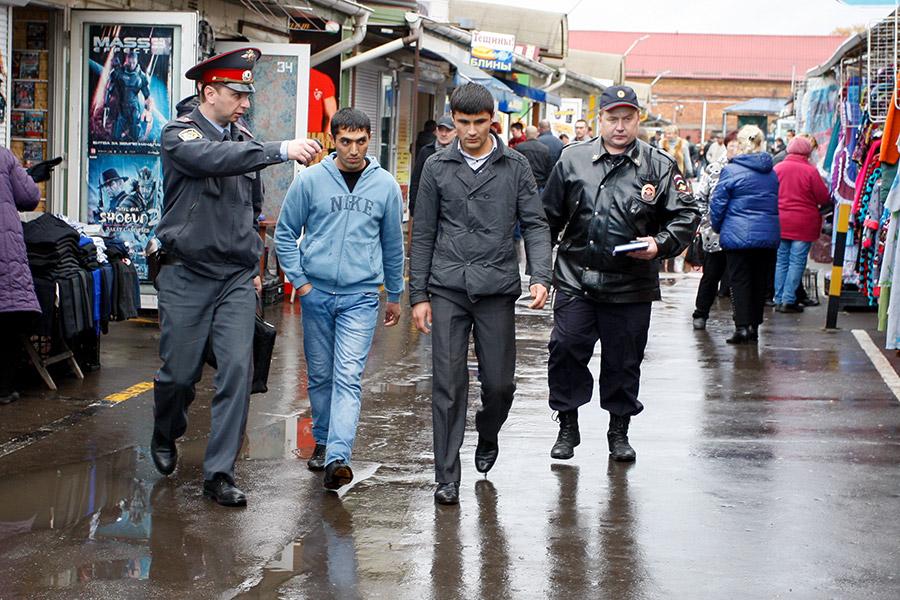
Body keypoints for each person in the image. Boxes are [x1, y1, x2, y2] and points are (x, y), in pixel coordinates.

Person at [151, 48, 322, 507]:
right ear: (209, 92)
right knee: (179, 374)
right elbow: (213, 159)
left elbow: (251, 212)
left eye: (248, 94)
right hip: (186, 272)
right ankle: (166, 428)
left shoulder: (243, 140)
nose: (245, 103)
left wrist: (254, 268)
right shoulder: (178, 135)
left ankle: (219, 473)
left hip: (234, 277)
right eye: (237, 93)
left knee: (237, 372)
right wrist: (280, 150)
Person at [410, 83, 552, 506]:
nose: (470, 131)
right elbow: (423, 233)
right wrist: (419, 294)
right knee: (448, 383)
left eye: (479, 122)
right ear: (452, 119)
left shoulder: (516, 166)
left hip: (495, 287)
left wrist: (540, 275)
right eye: (462, 122)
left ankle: (487, 431)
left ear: (494, 120)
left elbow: (536, 224)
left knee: (500, 384)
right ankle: (446, 475)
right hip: (448, 286)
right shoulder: (436, 166)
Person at [542, 85, 699, 464]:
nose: (619, 126)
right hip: (576, 277)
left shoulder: (657, 166)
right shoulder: (572, 159)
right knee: (565, 349)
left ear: (638, 120)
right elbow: (546, 217)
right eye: (612, 118)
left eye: (627, 118)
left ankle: (619, 430)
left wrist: (660, 245)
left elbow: (686, 214)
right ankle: (567, 423)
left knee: (623, 360)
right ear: (601, 119)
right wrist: (538, 272)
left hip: (631, 285)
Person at [275, 108, 405, 491]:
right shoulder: (311, 181)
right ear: (333, 140)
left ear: (370, 141)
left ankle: (338, 456)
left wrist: (394, 294)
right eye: (345, 141)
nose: (353, 149)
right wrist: (301, 284)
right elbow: (285, 234)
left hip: (361, 296)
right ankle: (322, 437)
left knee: (348, 376)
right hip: (316, 294)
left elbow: (392, 244)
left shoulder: (384, 186)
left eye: (360, 141)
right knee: (320, 374)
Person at [709, 125, 780, 344]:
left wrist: (717, 226)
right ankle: (754, 326)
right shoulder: (771, 172)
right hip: (767, 234)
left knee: (739, 281)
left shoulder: (731, 170)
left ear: (740, 144)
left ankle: (741, 327)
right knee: (760, 281)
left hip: (737, 233)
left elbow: (718, 203)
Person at [0, 146, 41, 405]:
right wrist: (29, 174)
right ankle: (3, 388)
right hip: (4, 248)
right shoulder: (3, 156)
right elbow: (29, 197)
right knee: (5, 321)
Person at [772, 136, 831, 313]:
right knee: (797, 262)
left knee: (781, 261)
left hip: (780, 222)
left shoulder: (777, 169)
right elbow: (823, 198)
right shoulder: (811, 171)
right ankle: (789, 300)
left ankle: (779, 298)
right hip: (803, 224)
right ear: (807, 151)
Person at [692, 130, 739, 330]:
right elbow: (701, 196)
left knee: (739, 278)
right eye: (731, 146)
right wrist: (705, 222)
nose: (735, 150)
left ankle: (741, 320)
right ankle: (700, 313)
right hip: (715, 233)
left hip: (740, 233)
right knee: (711, 275)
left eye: (739, 145)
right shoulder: (714, 168)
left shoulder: (749, 170)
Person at [408, 115, 456, 218]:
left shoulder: (460, 152)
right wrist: (413, 207)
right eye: (441, 129)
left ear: (455, 132)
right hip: (427, 208)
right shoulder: (426, 151)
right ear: (436, 131)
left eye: (448, 130)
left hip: (452, 211)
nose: (444, 134)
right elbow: (416, 180)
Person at [106, 51, 151, 142]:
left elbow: (147, 94)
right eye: (129, 62)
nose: (131, 65)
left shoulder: (141, 76)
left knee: (135, 136)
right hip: (121, 107)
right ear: (126, 61)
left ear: (137, 62)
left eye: (133, 63)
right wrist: (106, 104)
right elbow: (109, 88)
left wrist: (147, 109)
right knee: (115, 136)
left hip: (134, 107)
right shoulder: (119, 72)